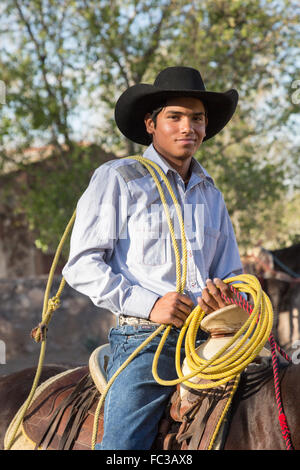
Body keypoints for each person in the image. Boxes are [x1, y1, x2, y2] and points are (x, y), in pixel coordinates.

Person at [62, 66, 244, 450]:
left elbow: (230, 272)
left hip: (207, 335)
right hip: (146, 340)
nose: (188, 128)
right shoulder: (119, 178)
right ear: (150, 123)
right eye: (174, 117)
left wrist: (226, 295)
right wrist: (151, 304)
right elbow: (82, 265)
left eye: (197, 118)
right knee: (123, 448)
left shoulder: (211, 194)